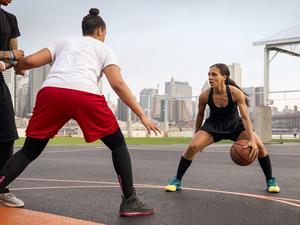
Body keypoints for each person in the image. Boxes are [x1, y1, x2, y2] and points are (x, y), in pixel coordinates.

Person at [0, 8, 160, 217]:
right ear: (101, 31)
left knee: (30, 150)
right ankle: (129, 201)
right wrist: (142, 115)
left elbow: (29, 62)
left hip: (51, 93)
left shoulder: (63, 42)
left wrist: (17, 65)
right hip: (85, 94)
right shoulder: (105, 49)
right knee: (117, 144)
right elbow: (117, 84)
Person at [165, 63, 280, 193]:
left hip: (236, 125)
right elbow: (200, 115)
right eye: (209, 74)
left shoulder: (235, 93)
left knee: (259, 146)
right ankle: (177, 180)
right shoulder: (205, 95)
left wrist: (252, 140)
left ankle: (270, 181)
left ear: (224, 77)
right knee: (191, 147)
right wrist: (196, 135)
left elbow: (245, 117)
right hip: (213, 126)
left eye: (214, 74)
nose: (210, 77)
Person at [0, 0, 25, 208]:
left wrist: (5, 61)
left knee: (7, 134)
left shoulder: (10, 19)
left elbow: (17, 57)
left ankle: (2, 187)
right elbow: (12, 54)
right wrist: (8, 55)